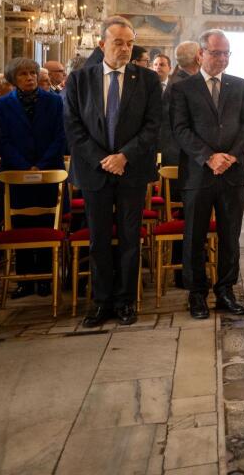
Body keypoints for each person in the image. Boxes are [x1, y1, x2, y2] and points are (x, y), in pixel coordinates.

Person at [63, 16, 163, 327]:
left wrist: (124, 156)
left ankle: (125, 301)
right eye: (118, 42)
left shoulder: (147, 80)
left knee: (130, 238)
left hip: (132, 170)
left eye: (130, 44)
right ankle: (101, 300)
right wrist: (102, 159)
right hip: (95, 171)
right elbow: (73, 126)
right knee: (99, 239)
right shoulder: (80, 79)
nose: (125, 49)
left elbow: (153, 125)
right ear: (102, 44)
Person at [169, 30, 244, 318]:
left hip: (232, 173)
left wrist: (231, 156)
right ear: (200, 54)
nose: (222, 58)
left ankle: (226, 290)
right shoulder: (183, 88)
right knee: (194, 236)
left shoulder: (240, 86)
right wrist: (208, 157)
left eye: (226, 53)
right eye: (216, 53)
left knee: (230, 236)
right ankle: (196, 293)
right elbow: (180, 129)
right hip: (198, 174)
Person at [0, 57, 66, 296]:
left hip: (48, 170)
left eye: (33, 73)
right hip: (16, 171)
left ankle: (45, 278)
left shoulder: (54, 101)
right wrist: (25, 166)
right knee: (21, 225)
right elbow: (2, 139)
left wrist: (41, 165)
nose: (30, 78)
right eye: (23, 74)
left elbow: (60, 136)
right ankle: (24, 279)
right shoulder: (2, 104)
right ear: (13, 79)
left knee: (46, 222)